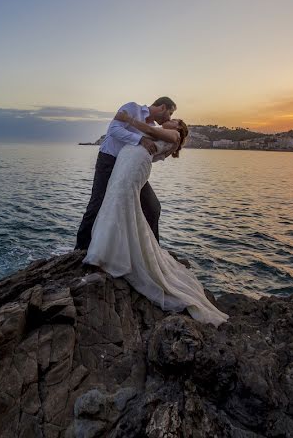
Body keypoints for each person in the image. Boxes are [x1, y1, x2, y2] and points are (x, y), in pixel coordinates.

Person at [83, 114, 228, 326]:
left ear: (179, 127)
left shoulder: (174, 133)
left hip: (135, 162)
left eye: (174, 119)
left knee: (121, 199)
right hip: (129, 159)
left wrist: (129, 120)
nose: (170, 119)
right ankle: (109, 249)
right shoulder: (170, 136)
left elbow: (151, 133)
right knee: (117, 200)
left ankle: (110, 252)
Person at [75, 97, 175, 251]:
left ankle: (153, 251)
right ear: (162, 107)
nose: (169, 118)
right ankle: (80, 250)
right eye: (170, 113)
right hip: (109, 161)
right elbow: (114, 130)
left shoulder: (152, 128)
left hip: (130, 168)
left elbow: (145, 152)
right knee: (97, 204)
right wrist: (140, 139)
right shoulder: (132, 108)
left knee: (152, 207)